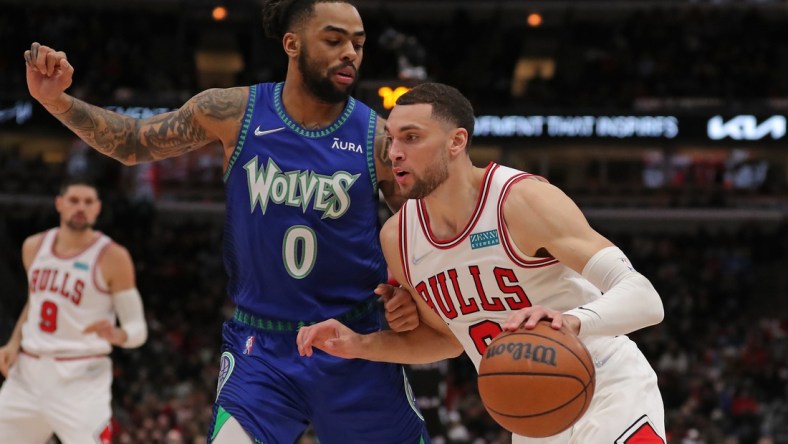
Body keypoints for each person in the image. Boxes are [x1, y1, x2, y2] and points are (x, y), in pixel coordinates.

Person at [23, 1, 430, 443]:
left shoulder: (377, 137)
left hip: (357, 342)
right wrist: (55, 100)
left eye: (358, 43)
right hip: (262, 348)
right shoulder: (235, 111)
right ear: (292, 44)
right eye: (334, 40)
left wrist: (410, 293)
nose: (350, 52)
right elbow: (133, 142)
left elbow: (421, 233)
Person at [297, 82, 668, 443]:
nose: (394, 152)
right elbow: (447, 340)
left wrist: (570, 321)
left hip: (607, 387)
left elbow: (644, 298)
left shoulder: (521, 200)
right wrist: (359, 344)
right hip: (532, 414)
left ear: (457, 141)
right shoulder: (398, 237)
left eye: (411, 138)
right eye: (391, 138)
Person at [0, 178, 147, 444]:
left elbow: (138, 329)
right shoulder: (33, 246)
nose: (81, 207)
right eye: (74, 200)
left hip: (81, 378)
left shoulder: (112, 256)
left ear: (98, 208)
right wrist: (12, 343)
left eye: (88, 202)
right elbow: (35, 301)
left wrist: (119, 335)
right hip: (28, 373)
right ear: (60, 204)